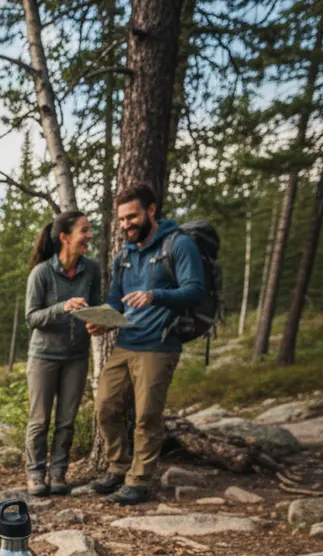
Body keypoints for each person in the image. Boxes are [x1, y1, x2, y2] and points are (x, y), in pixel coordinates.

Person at [86, 182, 204, 505]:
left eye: (132, 217)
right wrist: (102, 321)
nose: (126, 225)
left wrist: (155, 295)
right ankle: (118, 466)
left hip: (159, 345)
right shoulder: (124, 255)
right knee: (105, 405)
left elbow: (195, 290)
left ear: (151, 211)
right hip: (126, 342)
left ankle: (139, 480)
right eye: (122, 219)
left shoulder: (178, 245)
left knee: (147, 416)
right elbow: (116, 301)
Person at [23, 210, 100, 496]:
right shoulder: (42, 273)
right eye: (84, 231)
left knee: (66, 421)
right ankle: (35, 474)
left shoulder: (91, 269)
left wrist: (97, 321)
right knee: (40, 420)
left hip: (76, 357)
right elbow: (32, 318)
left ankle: (58, 473)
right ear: (65, 237)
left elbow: (96, 304)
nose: (89, 236)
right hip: (44, 356)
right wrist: (62, 307)